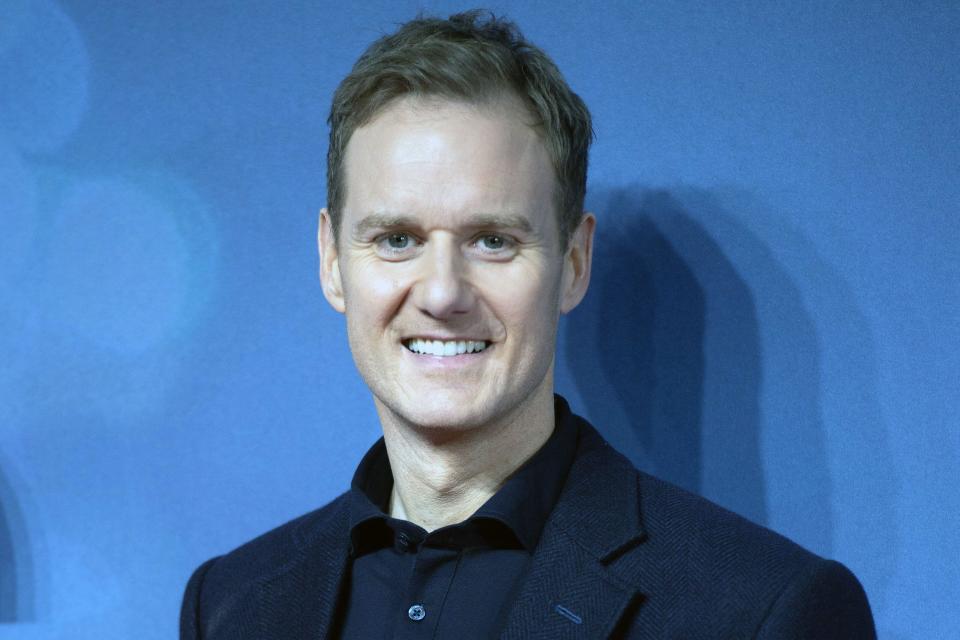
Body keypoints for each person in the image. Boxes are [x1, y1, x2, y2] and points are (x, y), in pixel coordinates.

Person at [180, 10, 876, 639]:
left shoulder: (762, 611)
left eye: (493, 240)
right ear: (333, 262)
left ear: (573, 262)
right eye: (396, 239)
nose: (444, 292)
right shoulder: (232, 605)